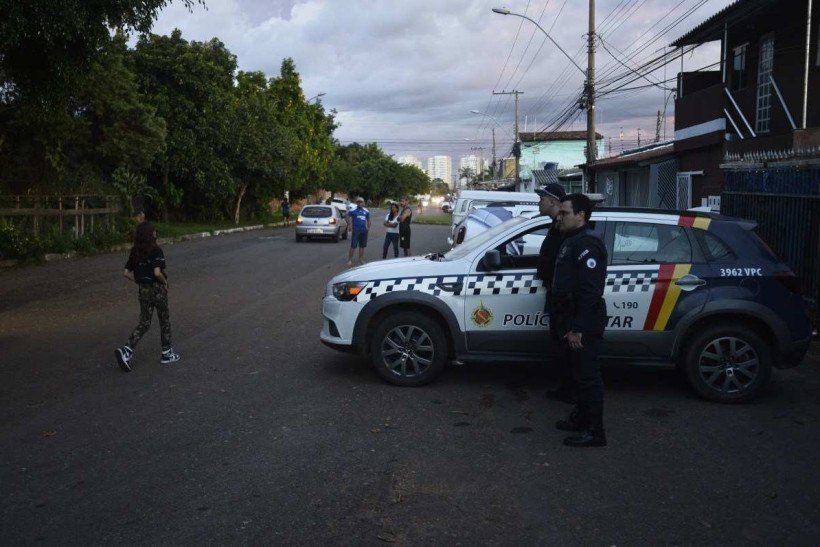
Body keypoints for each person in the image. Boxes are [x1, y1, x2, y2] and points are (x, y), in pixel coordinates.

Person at [549, 193, 608, 447]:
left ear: (581, 215)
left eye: (565, 212)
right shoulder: (572, 239)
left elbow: (590, 291)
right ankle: (580, 419)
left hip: (582, 321)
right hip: (569, 317)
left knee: (587, 377)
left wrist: (578, 328)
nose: (559, 216)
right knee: (577, 374)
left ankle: (595, 432)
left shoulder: (587, 244)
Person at [115, 222, 180, 371]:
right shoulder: (156, 250)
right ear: (150, 234)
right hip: (157, 289)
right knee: (164, 321)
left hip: (143, 291)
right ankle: (166, 353)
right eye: (154, 231)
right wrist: (165, 283)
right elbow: (157, 273)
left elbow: (126, 273)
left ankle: (127, 349)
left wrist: (139, 281)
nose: (155, 233)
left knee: (144, 322)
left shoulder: (135, 252)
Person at [533, 183, 573, 404]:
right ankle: (565, 387)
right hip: (555, 293)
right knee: (559, 344)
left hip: (563, 295)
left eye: (542, 198)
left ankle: (571, 390)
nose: (539, 202)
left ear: (553, 201)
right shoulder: (555, 225)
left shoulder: (564, 228)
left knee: (566, 345)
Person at [347, 197, 371, 266]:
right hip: (356, 231)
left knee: (362, 246)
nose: (360, 203)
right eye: (358, 202)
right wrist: (349, 225)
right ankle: (350, 260)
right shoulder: (353, 210)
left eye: (361, 202)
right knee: (353, 245)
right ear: (356, 203)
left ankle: (361, 259)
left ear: (363, 203)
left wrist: (368, 228)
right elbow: (347, 217)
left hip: (363, 231)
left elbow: (369, 220)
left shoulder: (366, 211)